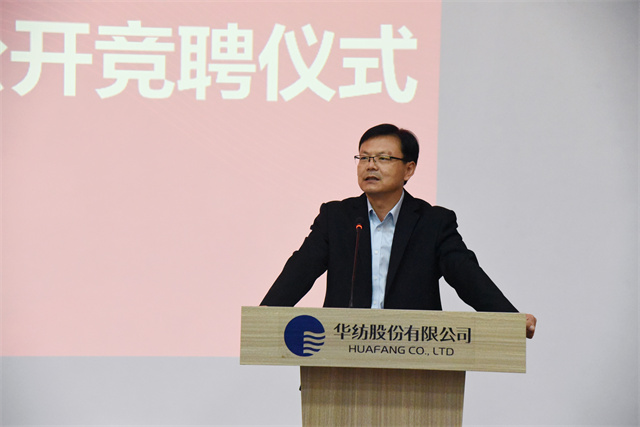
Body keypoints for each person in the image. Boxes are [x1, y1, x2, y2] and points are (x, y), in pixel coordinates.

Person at [261, 124, 537, 338]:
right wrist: (263, 318)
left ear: (409, 169)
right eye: (364, 157)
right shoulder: (337, 218)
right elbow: (300, 271)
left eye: (383, 158)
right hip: (343, 351)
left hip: (413, 352)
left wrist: (508, 319)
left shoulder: (433, 222)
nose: (370, 165)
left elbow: (466, 275)